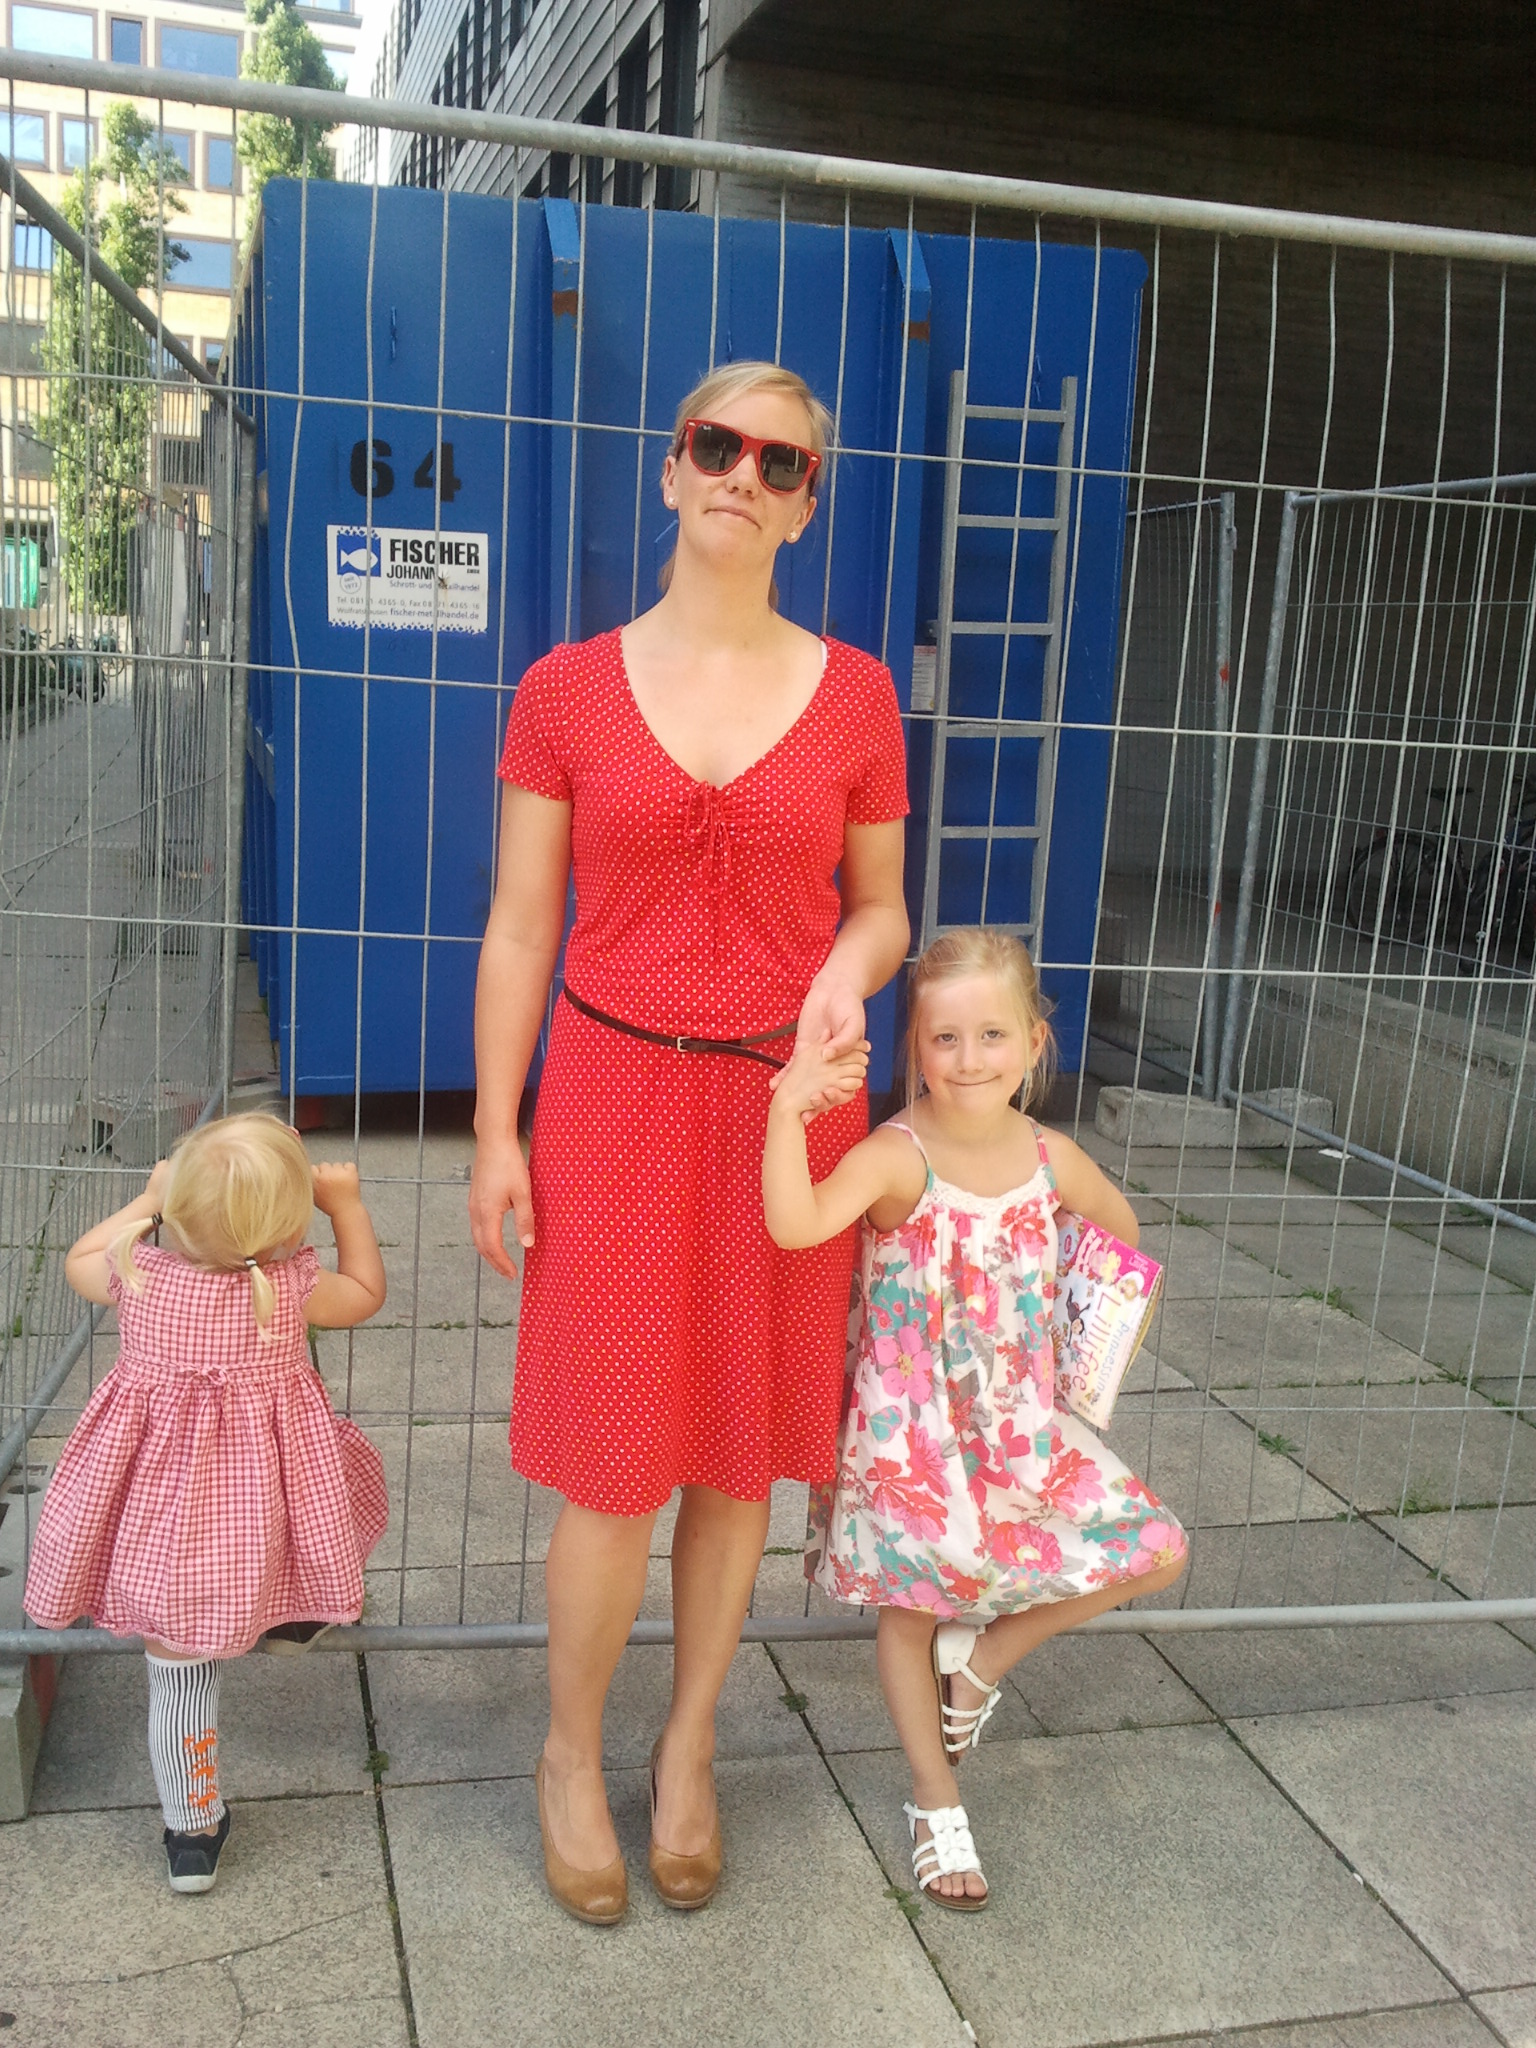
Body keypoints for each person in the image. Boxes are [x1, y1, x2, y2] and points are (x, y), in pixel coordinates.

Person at [469, 360, 909, 1924]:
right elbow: (522, 927)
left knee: (735, 1459)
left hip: (787, 1117)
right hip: (613, 1100)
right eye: (717, 445)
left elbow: (882, 908)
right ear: (670, 470)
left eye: (780, 462)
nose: (742, 474)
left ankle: (690, 1748)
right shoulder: (565, 691)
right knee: (612, 1463)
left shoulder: (857, 696)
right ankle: (568, 1756)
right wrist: (495, 1128)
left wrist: (843, 979)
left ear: (806, 505)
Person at [763, 927, 1188, 1912]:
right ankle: (935, 1798)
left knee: (1157, 1549)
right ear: (915, 1045)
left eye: (992, 1035)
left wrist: (1069, 1312)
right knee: (910, 1608)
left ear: (1034, 1043)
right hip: (909, 1438)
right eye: (944, 1037)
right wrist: (788, 1108)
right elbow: (794, 1222)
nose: (967, 1059)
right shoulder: (895, 1157)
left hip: (1018, 1424)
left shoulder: (1050, 1158)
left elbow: (1121, 1234)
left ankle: (984, 1658)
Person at [24, 1114, 388, 1893]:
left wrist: (146, 1201)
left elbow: (77, 1258)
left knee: (179, 1674)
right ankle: (293, 1612)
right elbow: (364, 1295)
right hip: (263, 1505)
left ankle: (192, 1832)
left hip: (161, 1522)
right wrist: (348, 1208)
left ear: (176, 1208)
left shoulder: (138, 1274)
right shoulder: (287, 1288)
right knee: (322, 1515)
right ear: (290, 1226)